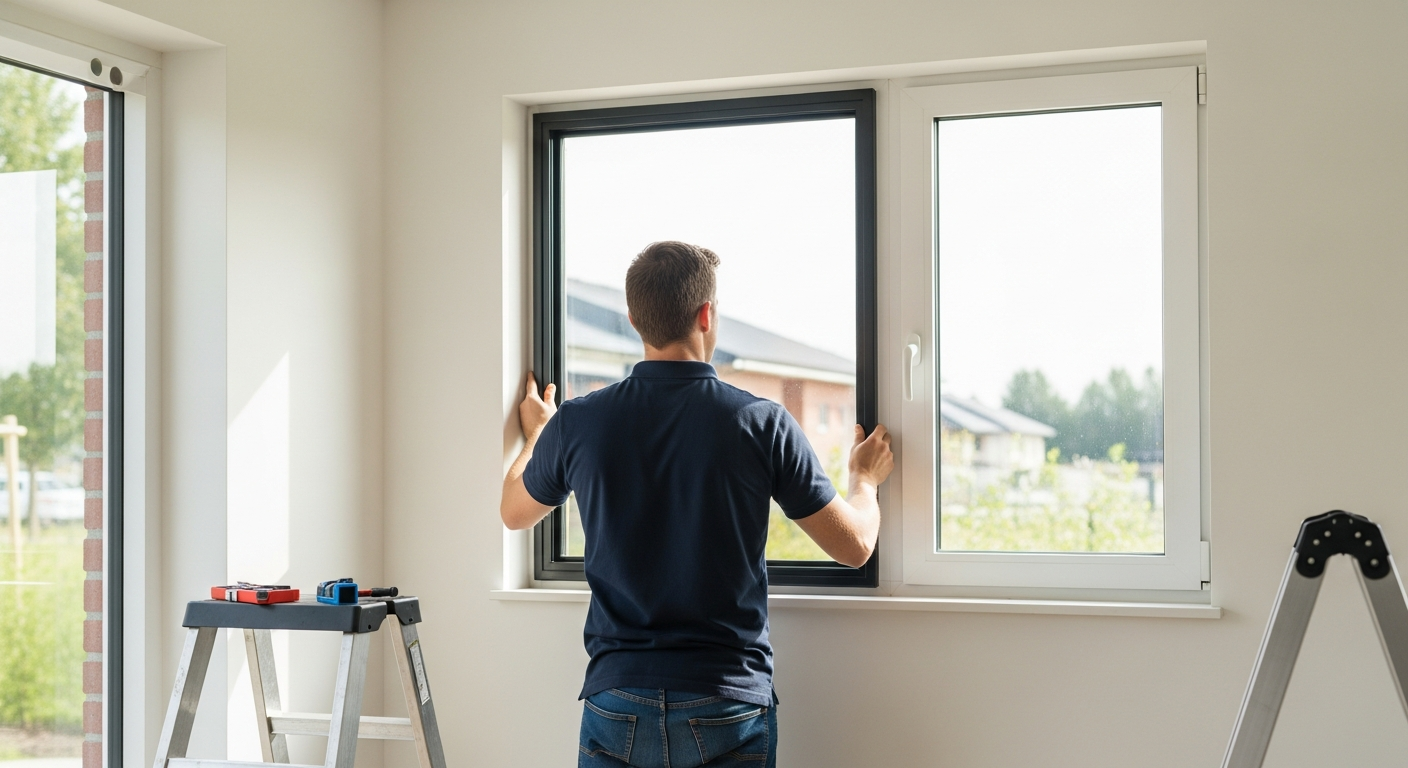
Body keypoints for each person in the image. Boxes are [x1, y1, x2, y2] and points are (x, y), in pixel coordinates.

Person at [500, 241, 893, 768]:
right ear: (706, 314)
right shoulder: (760, 421)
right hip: (728, 701)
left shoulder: (579, 422)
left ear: (635, 319)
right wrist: (863, 479)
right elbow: (856, 546)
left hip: (616, 700)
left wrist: (537, 436)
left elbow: (514, 511)